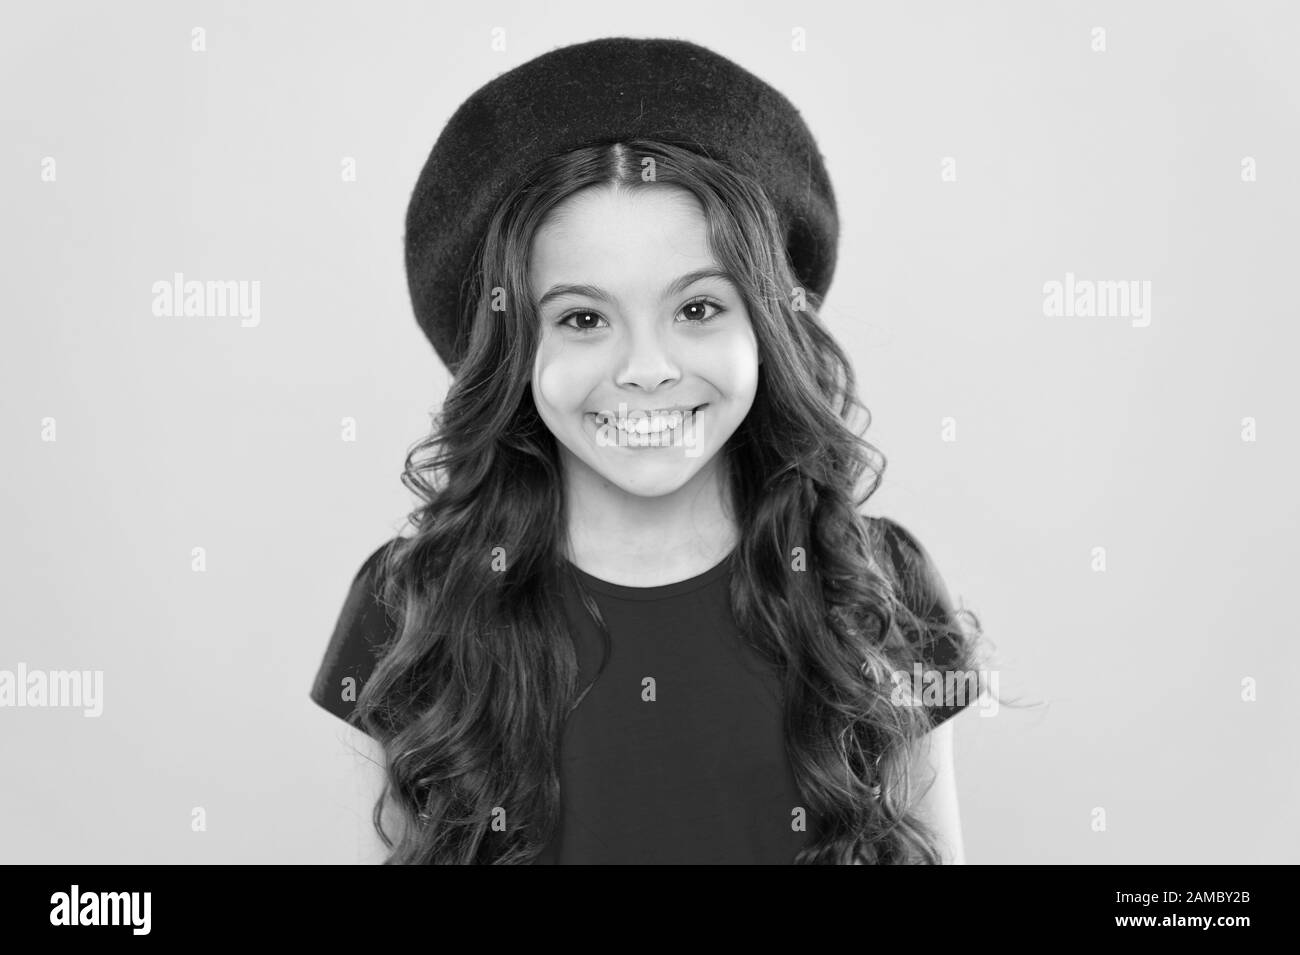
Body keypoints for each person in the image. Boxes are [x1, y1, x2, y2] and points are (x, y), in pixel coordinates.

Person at [310, 36, 991, 865]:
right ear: (514, 348)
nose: (645, 371)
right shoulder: (408, 607)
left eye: (698, 309)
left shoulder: (878, 589)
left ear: (767, 326)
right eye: (583, 318)